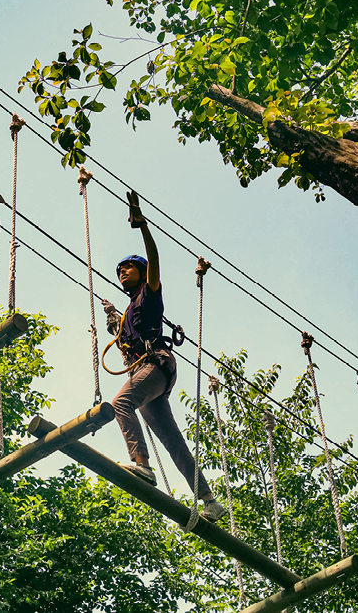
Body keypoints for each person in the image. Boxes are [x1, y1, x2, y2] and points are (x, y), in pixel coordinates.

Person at [105, 191, 226, 523]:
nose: (123, 273)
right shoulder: (130, 310)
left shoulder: (150, 293)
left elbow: (154, 259)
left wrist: (142, 225)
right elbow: (125, 344)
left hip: (155, 365)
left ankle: (142, 465)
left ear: (142, 273)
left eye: (129, 268)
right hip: (146, 372)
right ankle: (209, 499)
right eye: (120, 271)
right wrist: (114, 319)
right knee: (172, 439)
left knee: (120, 404)